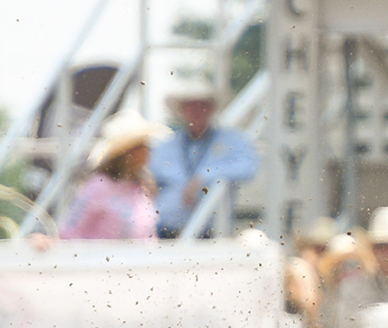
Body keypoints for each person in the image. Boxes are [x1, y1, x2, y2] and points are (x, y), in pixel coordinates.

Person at [150, 79, 259, 239]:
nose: (197, 111)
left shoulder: (233, 140)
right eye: (191, 106)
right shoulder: (166, 146)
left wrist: (203, 177)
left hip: (210, 232)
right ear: (182, 110)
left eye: (202, 105)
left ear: (211, 109)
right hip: (166, 229)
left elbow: (249, 167)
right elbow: (152, 178)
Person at [60, 109, 167, 240]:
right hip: (98, 257)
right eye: (140, 147)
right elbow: (70, 230)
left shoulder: (141, 188)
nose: (146, 151)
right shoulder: (98, 186)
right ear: (126, 153)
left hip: (136, 259)